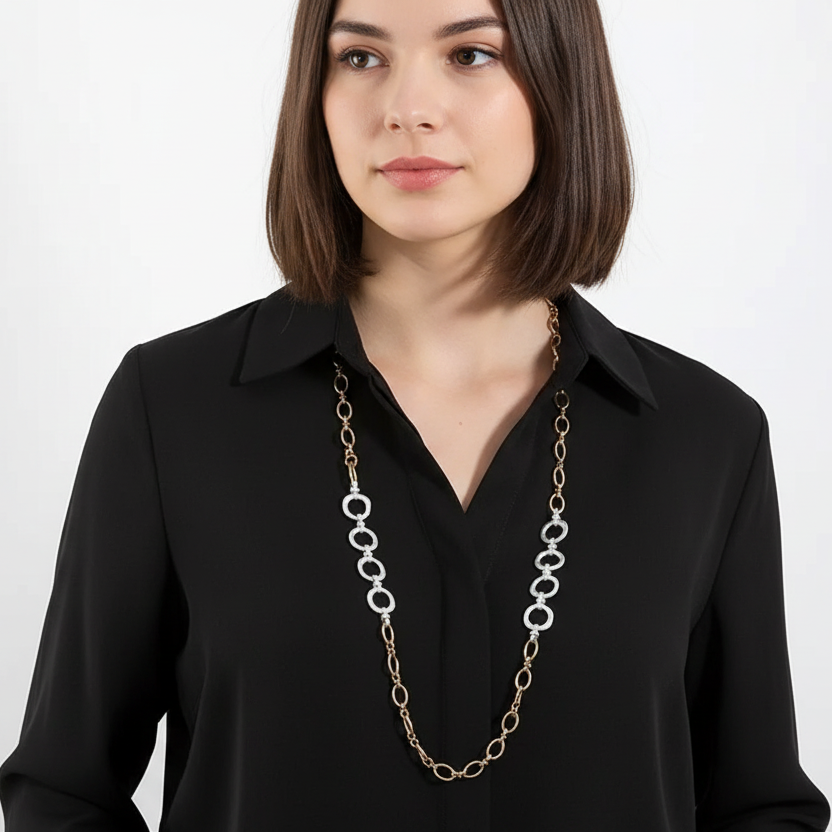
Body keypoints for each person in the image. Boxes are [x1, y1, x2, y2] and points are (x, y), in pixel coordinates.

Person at [0, 0, 829, 828]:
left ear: (559, 82)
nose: (406, 108)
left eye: (470, 54)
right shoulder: (170, 407)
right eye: (360, 58)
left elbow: (760, 806)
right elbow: (62, 793)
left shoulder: (707, 436)